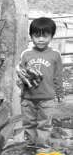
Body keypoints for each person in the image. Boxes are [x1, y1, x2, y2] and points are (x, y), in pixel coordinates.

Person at [17, 17, 63, 148]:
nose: (41, 39)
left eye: (45, 36)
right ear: (31, 36)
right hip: (28, 97)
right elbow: (21, 74)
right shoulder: (26, 54)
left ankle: (42, 147)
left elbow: (58, 75)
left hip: (47, 98)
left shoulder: (55, 55)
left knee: (45, 124)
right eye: (37, 36)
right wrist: (20, 88)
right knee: (28, 123)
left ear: (52, 36)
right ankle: (30, 146)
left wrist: (59, 93)